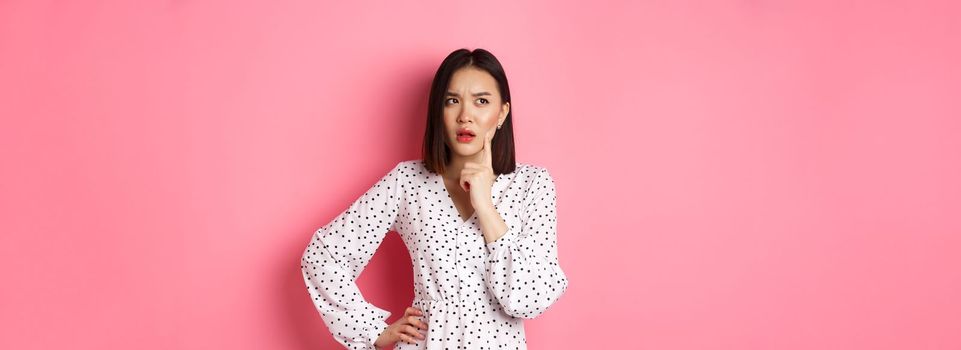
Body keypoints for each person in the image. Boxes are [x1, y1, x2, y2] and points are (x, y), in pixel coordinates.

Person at [300, 48, 569, 350]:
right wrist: (371, 330)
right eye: (452, 101)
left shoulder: (532, 185)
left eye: (481, 101)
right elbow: (324, 256)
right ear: (438, 111)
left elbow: (529, 299)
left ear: (502, 113)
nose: (465, 115)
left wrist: (485, 206)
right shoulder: (408, 182)